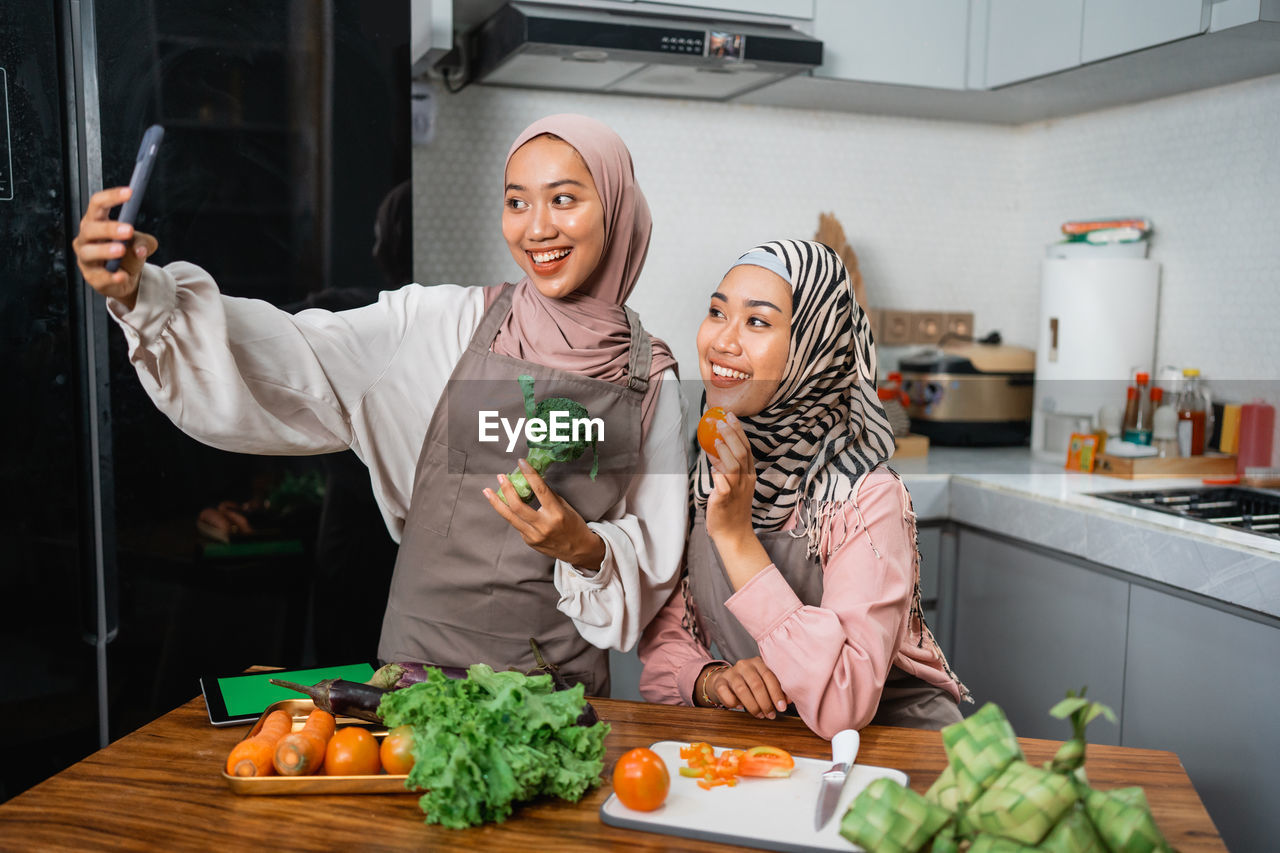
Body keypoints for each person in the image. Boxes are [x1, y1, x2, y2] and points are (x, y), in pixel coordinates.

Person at [72, 114, 687, 696]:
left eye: (564, 199)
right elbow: (292, 352)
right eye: (517, 200)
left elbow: (656, 560)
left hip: (560, 702)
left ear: (615, 207)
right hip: (416, 687)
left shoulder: (650, 377)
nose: (536, 228)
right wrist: (146, 298)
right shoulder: (445, 324)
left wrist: (580, 546)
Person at [637, 239, 968, 738]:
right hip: (780, 747)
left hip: (897, 758)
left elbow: (844, 704)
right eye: (717, 312)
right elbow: (666, 642)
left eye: (757, 321)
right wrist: (709, 679)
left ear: (813, 348)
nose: (722, 341)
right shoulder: (704, 469)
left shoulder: (865, 497)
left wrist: (736, 537)